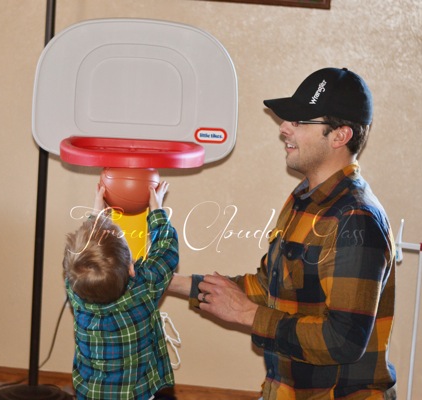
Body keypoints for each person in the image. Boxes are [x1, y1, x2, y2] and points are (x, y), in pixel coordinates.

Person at [169, 67, 397, 399]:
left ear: (340, 136)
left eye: (300, 121)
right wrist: (169, 283)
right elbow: (267, 288)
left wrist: (247, 314)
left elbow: (344, 341)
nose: (284, 128)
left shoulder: (356, 218)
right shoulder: (303, 199)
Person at [63, 181, 178, 400]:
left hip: (91, 393)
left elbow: (79, 258)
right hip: (136, 394)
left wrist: (97, 215)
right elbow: (166, 251)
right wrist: (157, 209)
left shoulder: (76, 289)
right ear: (131, 268)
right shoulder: (144, 287)